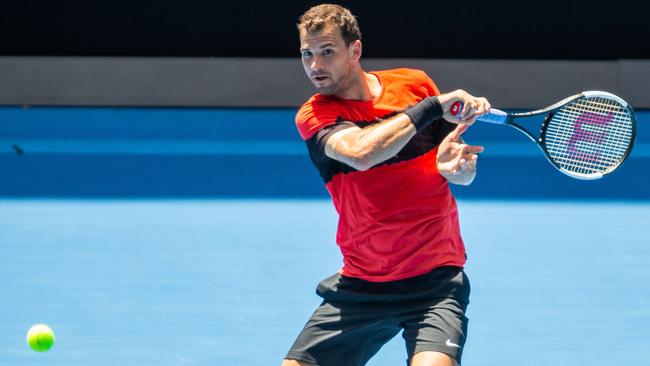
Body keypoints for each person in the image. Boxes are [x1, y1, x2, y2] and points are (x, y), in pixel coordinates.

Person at [282, 4, 490, 366]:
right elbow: (362, 153)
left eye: (327, 52)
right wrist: (433, 107)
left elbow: (456, 167)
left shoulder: (414, 84)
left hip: (435, 282)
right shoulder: (315, 114)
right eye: (307, 54)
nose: (315, 65)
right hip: (362, 284)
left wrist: (457, 170)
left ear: (355, 50)